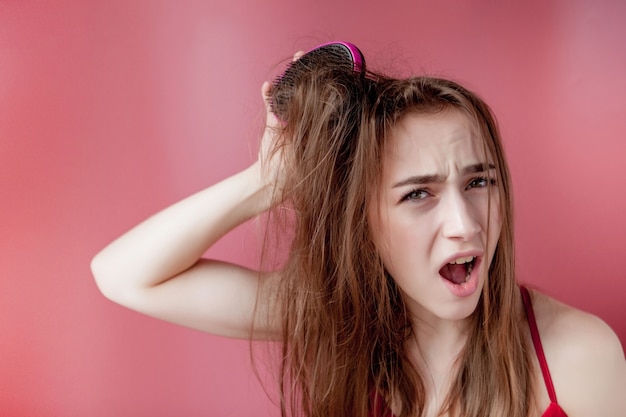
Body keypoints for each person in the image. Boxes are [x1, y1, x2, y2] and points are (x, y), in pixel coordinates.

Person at [91, 49, 626, 417]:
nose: (466, 224)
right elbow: (124, 276)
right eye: (419, 193)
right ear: (366, 223)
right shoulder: (342, 322)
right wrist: (270, 181)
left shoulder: (578, 354)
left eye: (479, 181)